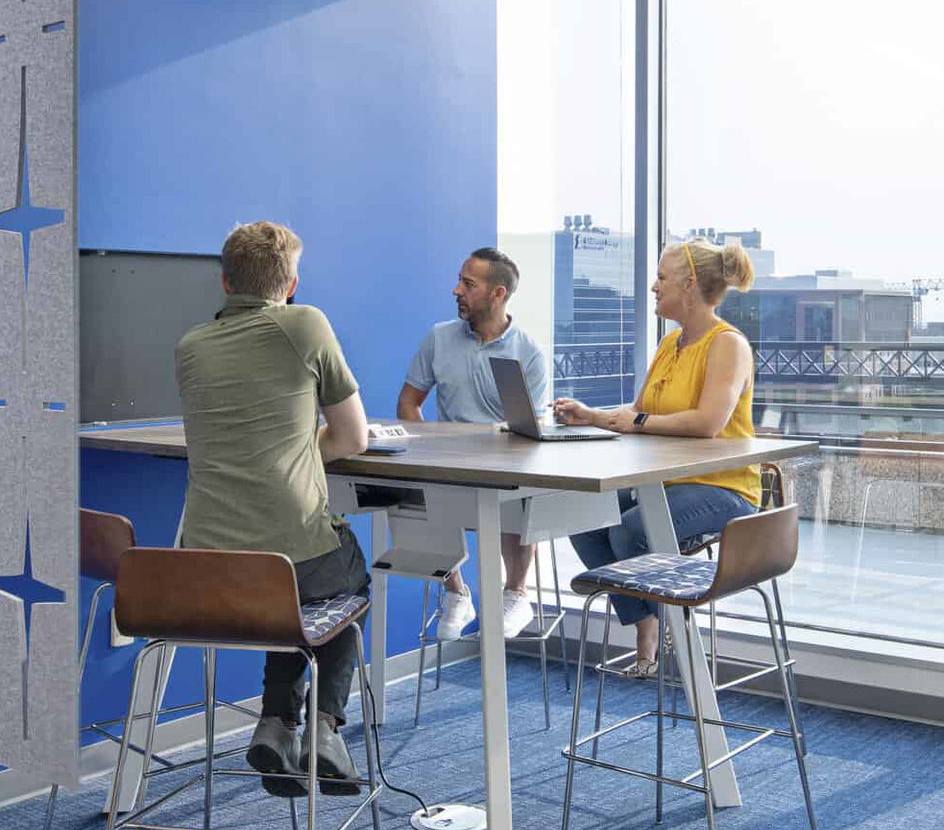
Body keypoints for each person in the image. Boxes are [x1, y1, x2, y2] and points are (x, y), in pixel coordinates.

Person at [175, 220, 370, 794]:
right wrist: (299, 453)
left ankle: (277, 722)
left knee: (288, 593)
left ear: (224, 281)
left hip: (200, 572)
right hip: (287, 564)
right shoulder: (305, 323)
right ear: (290, 284)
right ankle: (325, 728)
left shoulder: (189, 345)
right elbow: (353, 439)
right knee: (346, 582)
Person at [556, 238, 760, 677]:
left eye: (662, 278)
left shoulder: (728, 345)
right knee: (584, 519)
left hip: (724, 486)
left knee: (631, 532)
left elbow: (708, 421)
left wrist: (636, 421)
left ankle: (670, 630)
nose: (653, 287)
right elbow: (640, 413)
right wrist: (591, 416)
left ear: (689, 285)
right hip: (666, 483)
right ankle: (647, 621)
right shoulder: (670, 345)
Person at [397, 247, 548, 640]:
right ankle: (456, 592)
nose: (456, 290)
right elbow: (409, 403)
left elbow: (532, 429)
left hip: (505, 466)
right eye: (460, 281)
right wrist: (425, 448)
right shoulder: (440, 337)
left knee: (518, 492)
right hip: (451, 465)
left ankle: (516, 592)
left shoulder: (528, 352)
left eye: (468, 284)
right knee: (421, 491)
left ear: (498, 294)